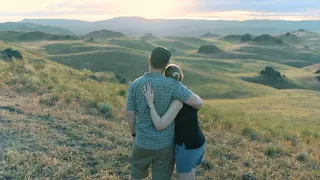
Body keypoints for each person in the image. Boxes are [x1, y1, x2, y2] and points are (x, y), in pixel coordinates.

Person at [126, 47, 203, 180]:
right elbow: (198, 103)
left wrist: (134, 133)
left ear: (149, 60)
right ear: (166, 65)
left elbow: (130, 114)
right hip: (164, 144)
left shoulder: (135, 84)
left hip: (141, 141)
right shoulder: (173, 85)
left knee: (135, 177)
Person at [142, 64, 206, 180]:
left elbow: (160, 125)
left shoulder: (177, 101)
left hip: (186, 146)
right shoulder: (187, 93)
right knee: (191, 173)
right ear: (181, 76)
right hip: (198, 142)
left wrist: (150, 103)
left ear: (166, 79)